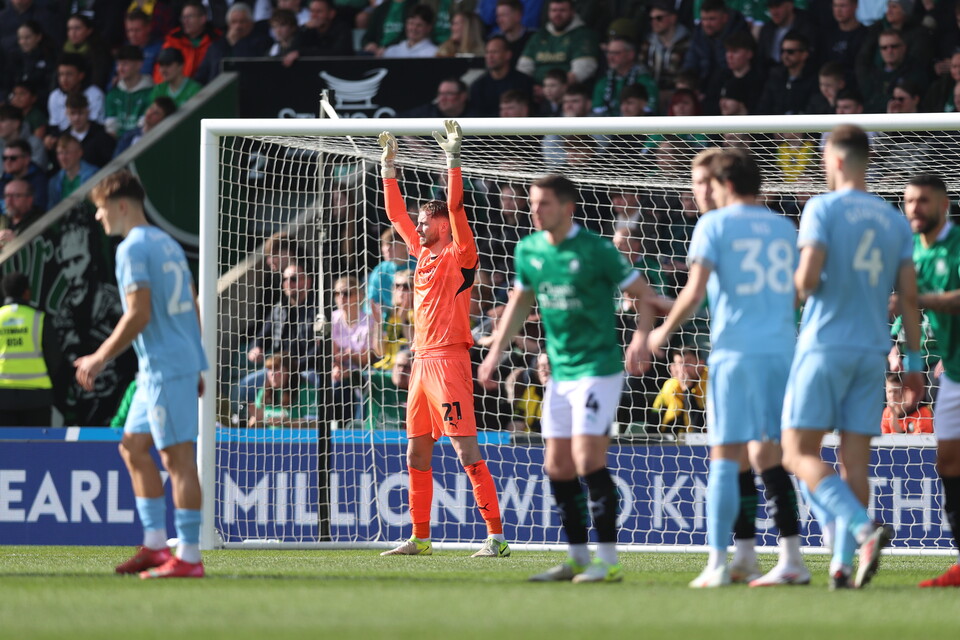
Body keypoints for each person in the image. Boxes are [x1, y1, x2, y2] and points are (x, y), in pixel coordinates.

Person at [477, 173, 656, 582]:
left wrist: (640, 338)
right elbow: (519, 304)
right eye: (533, 203)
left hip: (598, 370)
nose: (535, 211)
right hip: (558, 371)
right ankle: (577, 557)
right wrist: (494, 353)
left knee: (587, 459)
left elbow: (645, 296)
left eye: (544, 204)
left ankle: (608, 562)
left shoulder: (596, 249)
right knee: (556, 466)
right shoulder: (529, 250)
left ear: (567, 207)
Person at [648, 148, 810, 588]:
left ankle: (717, 563)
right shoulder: (782, 226)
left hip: (736, 351)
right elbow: (798, 289)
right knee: (768, 455)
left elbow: (695, 290)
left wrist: (662, 332)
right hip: (781, 350)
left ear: (723, 183)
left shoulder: (713, 224)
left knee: (724, 456)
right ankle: (783, 558)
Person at [780, 124, 923, 590]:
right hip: (872, 350)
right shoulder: (895, 220)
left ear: (835, 160)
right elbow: (908, 296)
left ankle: (862, 531)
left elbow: (806, 280)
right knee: (853, 463)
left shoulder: (821, 207)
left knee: (796, 451)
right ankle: (842, 565)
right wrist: (916, 364)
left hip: (825, 343)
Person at [377, 121, 510, 558]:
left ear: (442, 224)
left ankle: (495, 536)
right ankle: (420, 538)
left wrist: (453, 159)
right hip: (420, 363)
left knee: (465, 449)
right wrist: (388, 167)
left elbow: (456, 207)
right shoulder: (421, 253)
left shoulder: (460, 253)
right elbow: (395, 215)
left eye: (425, 219)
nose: (417, 223)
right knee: (416, 452)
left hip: (450, 362)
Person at [76, 169, 208, 578]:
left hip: (167, 367)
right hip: (161, 368)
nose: (99, 218)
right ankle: (154, 545)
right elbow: (191, 301)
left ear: (119, 205)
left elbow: (139, 313)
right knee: (133, 447)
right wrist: (198, 357)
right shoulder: (166, 243)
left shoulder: (131, 248)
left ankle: (188, 556)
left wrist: (99, 356)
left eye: (100, 209)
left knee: (178, 459)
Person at [897, 174, 960, 586]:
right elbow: (912, 315)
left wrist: (917, 299)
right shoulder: (912, 254)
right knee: (948, 463)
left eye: (923, 200)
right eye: (908, 201)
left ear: (944, 204)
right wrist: (914, 366)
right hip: (952, 373)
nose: (915, 208)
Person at [0, 271, 61, 426]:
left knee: (5, 448)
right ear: (26, 293)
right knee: (37, 447)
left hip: (2, 397)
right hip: (37, 397)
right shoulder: (38, 318)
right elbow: (54, 359)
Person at [516, 0, 599, 86]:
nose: (557, 15)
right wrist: (530, 88)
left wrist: (550, 89)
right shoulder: (539, 36)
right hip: (535, 91)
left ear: (572, 12)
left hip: (568, 92)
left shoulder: (583, 35)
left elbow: (582, 70)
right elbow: (523, 68)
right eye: (554, 10)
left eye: (562, 10)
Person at [194, 3, 271, 85]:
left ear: (251, 23)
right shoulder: (216, 46)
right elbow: (202, 74)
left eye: (242, 21)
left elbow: (251, 67)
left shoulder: (262, 42)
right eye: (234, 22)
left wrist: (236, 44)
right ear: (228, 25)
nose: (238, 26)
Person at [248, 351, 320, 427]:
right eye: (269, 369)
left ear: (289, 371)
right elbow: (254, 422)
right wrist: (256, 422)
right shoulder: (264, 391)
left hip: (295, 438)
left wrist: (285, 422)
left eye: (276, 369)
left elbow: (315, 424)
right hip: (268, 438)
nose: (272, 373)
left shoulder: (306, 390)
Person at [155, 0, 221, 82]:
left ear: (203, 19)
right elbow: (160, 73)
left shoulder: (217, 41)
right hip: (176, 90)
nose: (185, 21)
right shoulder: (173, 41)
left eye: (190, 17)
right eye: (183, 17)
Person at [468, 35, 534, 117]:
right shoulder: (478, 86)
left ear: (508, 55)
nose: (490, 56)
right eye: (487, 52)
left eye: (495, 52)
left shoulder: (524, 82)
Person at [592, 36, 659, 116]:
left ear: (630, 55)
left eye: (616, 53)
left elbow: (649, 111)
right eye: (608, 53)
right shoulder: (603, 82)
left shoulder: (644, 81)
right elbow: (597, 113)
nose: (610, 57)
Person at [651, 347, 707, 432]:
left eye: (687, 364)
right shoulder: (670, 385)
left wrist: (687, 389)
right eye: (678, 364)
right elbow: (654, 421)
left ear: (701, 365)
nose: (682, 370)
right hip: (674, 442)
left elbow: (700, 427)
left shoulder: (710, 384)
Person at [47, 54, 106, 133]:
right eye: (61, 74)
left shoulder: (95, 95)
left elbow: (94, 125)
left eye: (69, 74)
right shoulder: (55, 96)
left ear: (81, 75)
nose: (64, 79)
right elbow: (54, 125)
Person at [105, 44, 154, 138]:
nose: (120, 68)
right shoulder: (113, 94)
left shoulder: (151, 93)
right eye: (118, 64)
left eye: (125, 64)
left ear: (139, 65)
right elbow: (110, 128)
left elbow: (144, 127)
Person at [65, 92, 116, 168]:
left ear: (88, 112)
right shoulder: (64, 138)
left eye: (80, 113)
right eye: (72, 113)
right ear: (67, 114)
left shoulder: (101, 134)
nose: (76, 118)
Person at [48, 134, 97, 208]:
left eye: (67, 152)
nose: (63, 158)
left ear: (79, 153)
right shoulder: (54, 182)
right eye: (60, 153)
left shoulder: (94, 175)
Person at [880, 370, 933, 434]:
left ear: (905, 391)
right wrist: (893, 416)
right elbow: (884, 439)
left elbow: (917, 442)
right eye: (889, 391)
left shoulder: (922, 413)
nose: (892, 395)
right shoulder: (887, 412)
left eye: (896, 391)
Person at [0, 139, 46, 212]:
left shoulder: (39, 180)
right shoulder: (4, 179)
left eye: (13, 158)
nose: (7, 162)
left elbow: (38, 208)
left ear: (26, 159)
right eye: (4, 158)